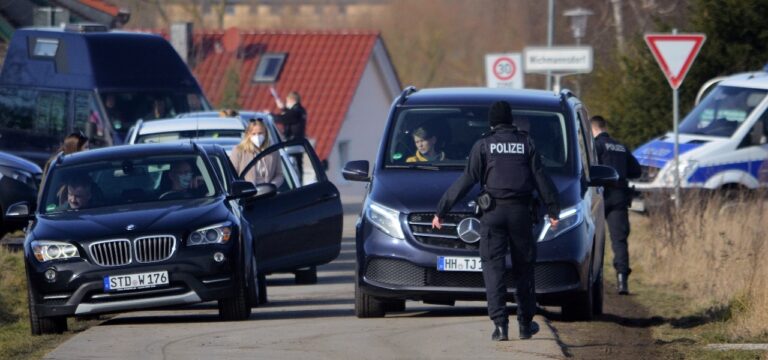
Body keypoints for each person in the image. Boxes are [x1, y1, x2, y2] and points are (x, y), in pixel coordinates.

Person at [432, 101, 560, 341]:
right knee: (524, 270)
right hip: (521, 214)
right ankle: (525, 324)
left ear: (491, 122)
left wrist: (441, 211)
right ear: (511, 120)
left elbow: (467, 179)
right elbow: (541, 179)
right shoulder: (526, 143)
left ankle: (500, 326)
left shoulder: (484, 145)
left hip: (492, 214)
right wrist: (553, 211)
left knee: (493, 269)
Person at [591, 115, 642, 295]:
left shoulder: (595, 146)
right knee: (619, 240)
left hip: (599, 195)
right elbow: (637, 170)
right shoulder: (621, 146)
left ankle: (592, 278)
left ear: (593, 129)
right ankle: (622, 280)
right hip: (620, 196)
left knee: (593, 238)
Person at [229, 118, 284, 188]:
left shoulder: (273, 151)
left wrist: (272, 186)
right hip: (247, 195)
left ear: (266, 134)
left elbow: (279, 174)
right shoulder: (239, 150)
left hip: (268, 194)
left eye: (260, 133)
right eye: (254, 134)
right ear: (248, 134)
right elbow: (232, 175)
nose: (257, 136)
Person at [272, 91, 306, 183]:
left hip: (293, 143)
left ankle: (296, 183)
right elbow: (289, 115)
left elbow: (284, 119)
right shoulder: (301, 110)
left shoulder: (296, 111)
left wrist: (270, 116)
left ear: (291, 100)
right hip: (298, 143)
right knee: (298, 166)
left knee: (292, 167)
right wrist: (283, 109)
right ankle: (299, 182)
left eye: (287, 101)